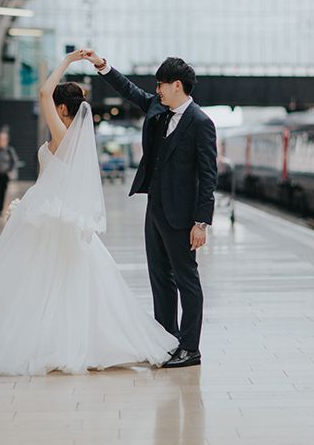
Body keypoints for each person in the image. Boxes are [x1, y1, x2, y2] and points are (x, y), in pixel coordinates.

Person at [0, 50, 177, 375]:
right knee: (71, 282)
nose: (49, 109)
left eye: (55, 107)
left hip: (45, 214)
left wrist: (68, 61)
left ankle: (40, 342)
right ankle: (77, 340)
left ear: (62, 109)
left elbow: (43, 92)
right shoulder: (76, 141)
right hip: (53, 211)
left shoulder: (62, 136)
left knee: (35, 282)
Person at [85, 51, 217, 369]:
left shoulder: (201, 123)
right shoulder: (159, 108)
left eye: (160, 85)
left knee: (186, 279)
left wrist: (201, 222)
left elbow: (208, 175)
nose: (156, 90)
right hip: (155, 210)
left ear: (176, 85)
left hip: (183, 216)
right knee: (160, 278)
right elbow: (129, 91)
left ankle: (190, 348)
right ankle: (166, 342)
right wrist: (103, 67)